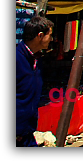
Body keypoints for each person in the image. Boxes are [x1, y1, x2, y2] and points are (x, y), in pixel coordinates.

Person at [16, 15, 53, 147]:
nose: (52, 39)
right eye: (50, 35)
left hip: (27, 131)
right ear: (40, 36)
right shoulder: (16, 58)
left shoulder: (37, 60)